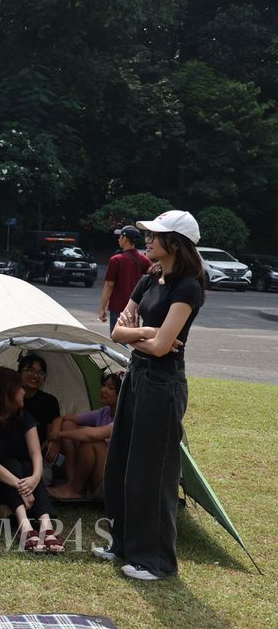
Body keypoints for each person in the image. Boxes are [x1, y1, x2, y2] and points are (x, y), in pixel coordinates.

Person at [98, 210, 206, 581]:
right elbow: (118, 333)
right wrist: (148, 333)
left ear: (175, 242)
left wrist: (141, 334)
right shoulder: (149, 278)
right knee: (122, 463)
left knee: (153, 472)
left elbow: (163, 349)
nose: (148, 239)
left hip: (163, 384)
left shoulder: (188, 286)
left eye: (155, 235)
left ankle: (156, 562)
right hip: (137, 375)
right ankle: (123, 545)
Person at [0, 366, 64, 553]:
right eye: (20, 387)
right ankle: (25, 526)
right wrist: (22, 487)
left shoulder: (24, 417)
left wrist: (33, 479)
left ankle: (46, 525)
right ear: (6, 391)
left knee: (28, 465)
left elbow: (36, 453)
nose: (24, 392)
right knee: (12, 464)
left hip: (21, 482)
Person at [45, 372, 123, 502]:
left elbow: (93, 435)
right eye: (103, 385)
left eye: (110, 388)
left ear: (122, 394)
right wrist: (56, 438)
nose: (103, 390)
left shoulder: (126, 418)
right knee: (69, 425)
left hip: (111, 482)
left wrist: (58, 434)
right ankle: (72, 483)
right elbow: (62, 419)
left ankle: (76, 489)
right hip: (95, 475)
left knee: (93, 442)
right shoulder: (104, 412)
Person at [99, 225, 152, 333]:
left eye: (120, 237)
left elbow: (109, 286)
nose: (118, 239)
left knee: (118, 339)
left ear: (125, 239)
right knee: (131, 337)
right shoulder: (144, 259)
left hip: (118, 307)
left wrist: (102, 308)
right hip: (136, 307)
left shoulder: (116, 260)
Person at [18, 354, 60, 449]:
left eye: (40, 372)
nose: (35, 375)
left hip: (39, 450)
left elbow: (51, 431)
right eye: (30, 370)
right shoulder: (10, 398)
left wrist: (53, 441)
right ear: (20, 372)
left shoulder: (50, 401)